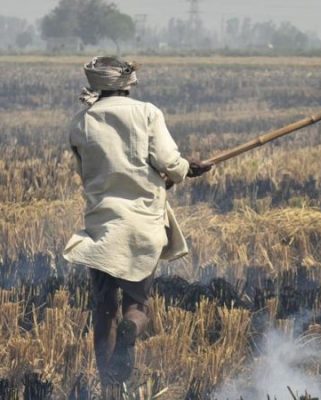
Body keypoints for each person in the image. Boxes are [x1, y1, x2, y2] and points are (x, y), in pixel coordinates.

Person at [63, 56, 212, 386]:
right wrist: (186, 169)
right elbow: (169, 163)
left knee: (103, 307)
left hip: (102, 228)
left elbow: (87, 172)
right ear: (127, 84)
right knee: (137, 304)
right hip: (143, 226)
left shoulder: (80, 122)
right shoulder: (147, 112)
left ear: (95, 85)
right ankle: (131, 328)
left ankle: (108, 382)